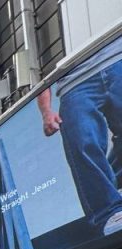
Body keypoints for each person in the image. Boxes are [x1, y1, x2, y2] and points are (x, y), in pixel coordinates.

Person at [37, 40, 122, 237]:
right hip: (74, 81)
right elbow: (40, 75)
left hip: (115, 57)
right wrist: (46, 111)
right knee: (83, 143)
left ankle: (115, 183)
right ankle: (109, 212)